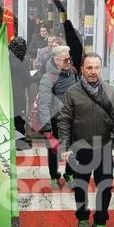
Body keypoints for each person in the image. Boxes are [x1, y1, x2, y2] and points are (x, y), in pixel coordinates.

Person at [57, 53, 114, 227]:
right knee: (81, 185)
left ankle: (101, 222)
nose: (93, 71)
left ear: (101, 69)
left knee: (105, 186)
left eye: (96, 67)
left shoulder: (110, 91)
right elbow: (64, 121)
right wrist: (65, 146)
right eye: (89, 67)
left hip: (104, 146)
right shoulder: (72, 92)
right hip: (81, 148)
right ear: (82, 69)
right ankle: (82, 219)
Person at [37, 46, 78, 189]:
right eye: (65, 60)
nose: (69, 62)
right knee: (53, 150)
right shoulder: (48, 78)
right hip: (55, 121)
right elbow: (43, 105)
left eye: (69, 59)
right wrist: (47, 128)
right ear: (56, 60)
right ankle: (54, 176)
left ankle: (69, 174)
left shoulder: (73, 73)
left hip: (71, 119)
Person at [8, 36, 40, 147]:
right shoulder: (23, 62)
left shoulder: (8, 59)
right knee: (19, 117)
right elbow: (27, 78)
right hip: (19, 92)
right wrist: (39, 76)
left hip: (8, 90)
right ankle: (20, 142)